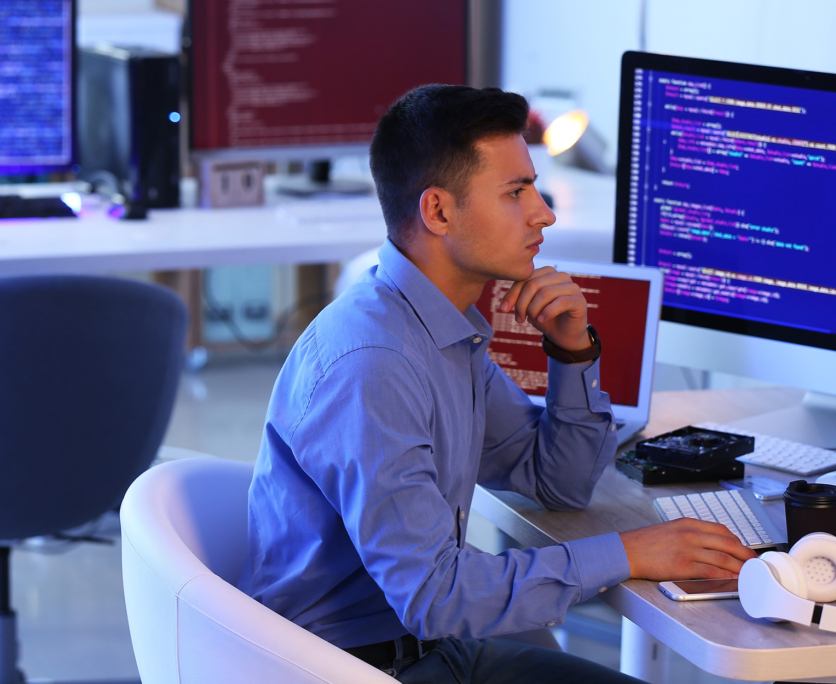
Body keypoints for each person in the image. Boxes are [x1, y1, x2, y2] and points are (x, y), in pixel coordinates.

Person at [239, 85, 755, 683]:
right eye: (516, 192)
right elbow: (434, 595)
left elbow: (558, 484)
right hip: (356, 670)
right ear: (438, 212)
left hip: (431, 647)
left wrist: (572, 353)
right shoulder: (375, 363)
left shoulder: (443, 332)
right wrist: (631, 553)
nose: (545, 212)